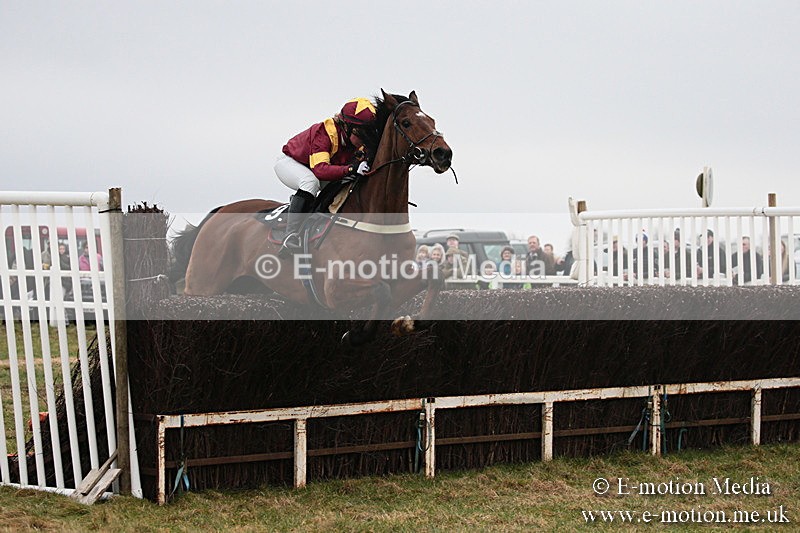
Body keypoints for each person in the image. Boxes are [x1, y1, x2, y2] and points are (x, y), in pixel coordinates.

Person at [274, 97, 377, 252]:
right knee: (310, 183)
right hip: (291, 163)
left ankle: (311, 210)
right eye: (362, 134)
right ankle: (291, 235)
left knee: (344, 181)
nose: (365, 140)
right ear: (347, 127)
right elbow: (320, 170)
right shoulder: (324, 133)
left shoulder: (354, 140)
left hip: (314, 168)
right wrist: (351, 169)